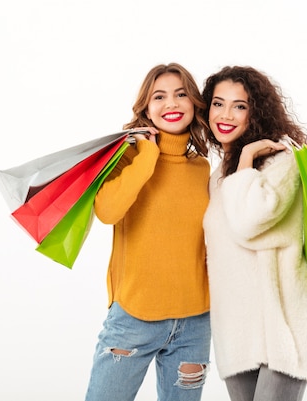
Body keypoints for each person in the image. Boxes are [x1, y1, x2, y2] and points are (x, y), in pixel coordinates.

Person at [84, 63, 212, 401]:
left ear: (194, 104)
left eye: (180, 94)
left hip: (195, 321)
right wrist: (147, 154)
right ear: (146, 108)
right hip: (133, 319)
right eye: (160, 96)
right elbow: (107, 212)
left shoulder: (201, 168)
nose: (171, 104)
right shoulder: (126, 157)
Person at [200, 65, 307, 401]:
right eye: (217, 103)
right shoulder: (218, 177)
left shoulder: (284, 162)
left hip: (281, 330)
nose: (225, 115)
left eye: (239, 106)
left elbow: (249, 222)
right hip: (236, 332)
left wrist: (247, 157)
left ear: (257, 112)